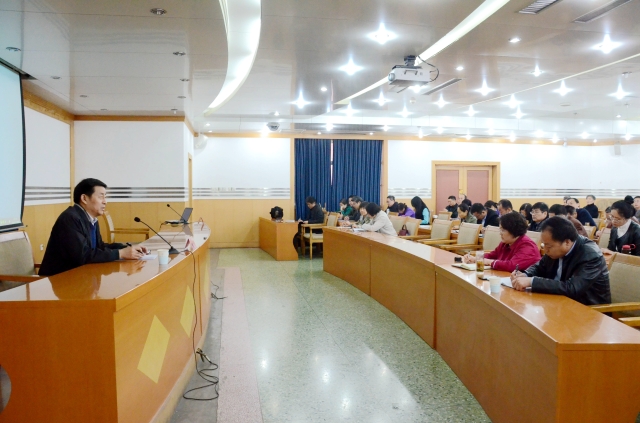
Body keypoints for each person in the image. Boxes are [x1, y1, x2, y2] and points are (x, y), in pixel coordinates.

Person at [39, 178, 148, 277]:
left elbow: (99, 247)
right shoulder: (70, 218)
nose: (105, 201)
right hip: (60, 279)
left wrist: (126, 248)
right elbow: (83, 255)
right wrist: (121, 253)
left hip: (81, 276)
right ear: (84, 198)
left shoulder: (91, 219)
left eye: (105, 197)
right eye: (101, 197)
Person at [511, 217, 611, 306]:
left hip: (588, 310)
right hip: (559, 302)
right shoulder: (555, 250)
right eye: (544, 245)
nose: (545, 250)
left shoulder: (590, 255)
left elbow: (572, 288)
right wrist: (525, 274)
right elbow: (540, 267)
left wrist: (532, 281)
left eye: (548, 246)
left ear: (567, 242)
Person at [463, 212, 540, 272]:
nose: (500, 233)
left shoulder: (527, 245)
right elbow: (492, 255)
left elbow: (512, 266)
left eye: (503, 230)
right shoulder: (505, 243)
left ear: (513, 230)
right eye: (500, 229)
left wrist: (487, 262)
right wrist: (475, 258)